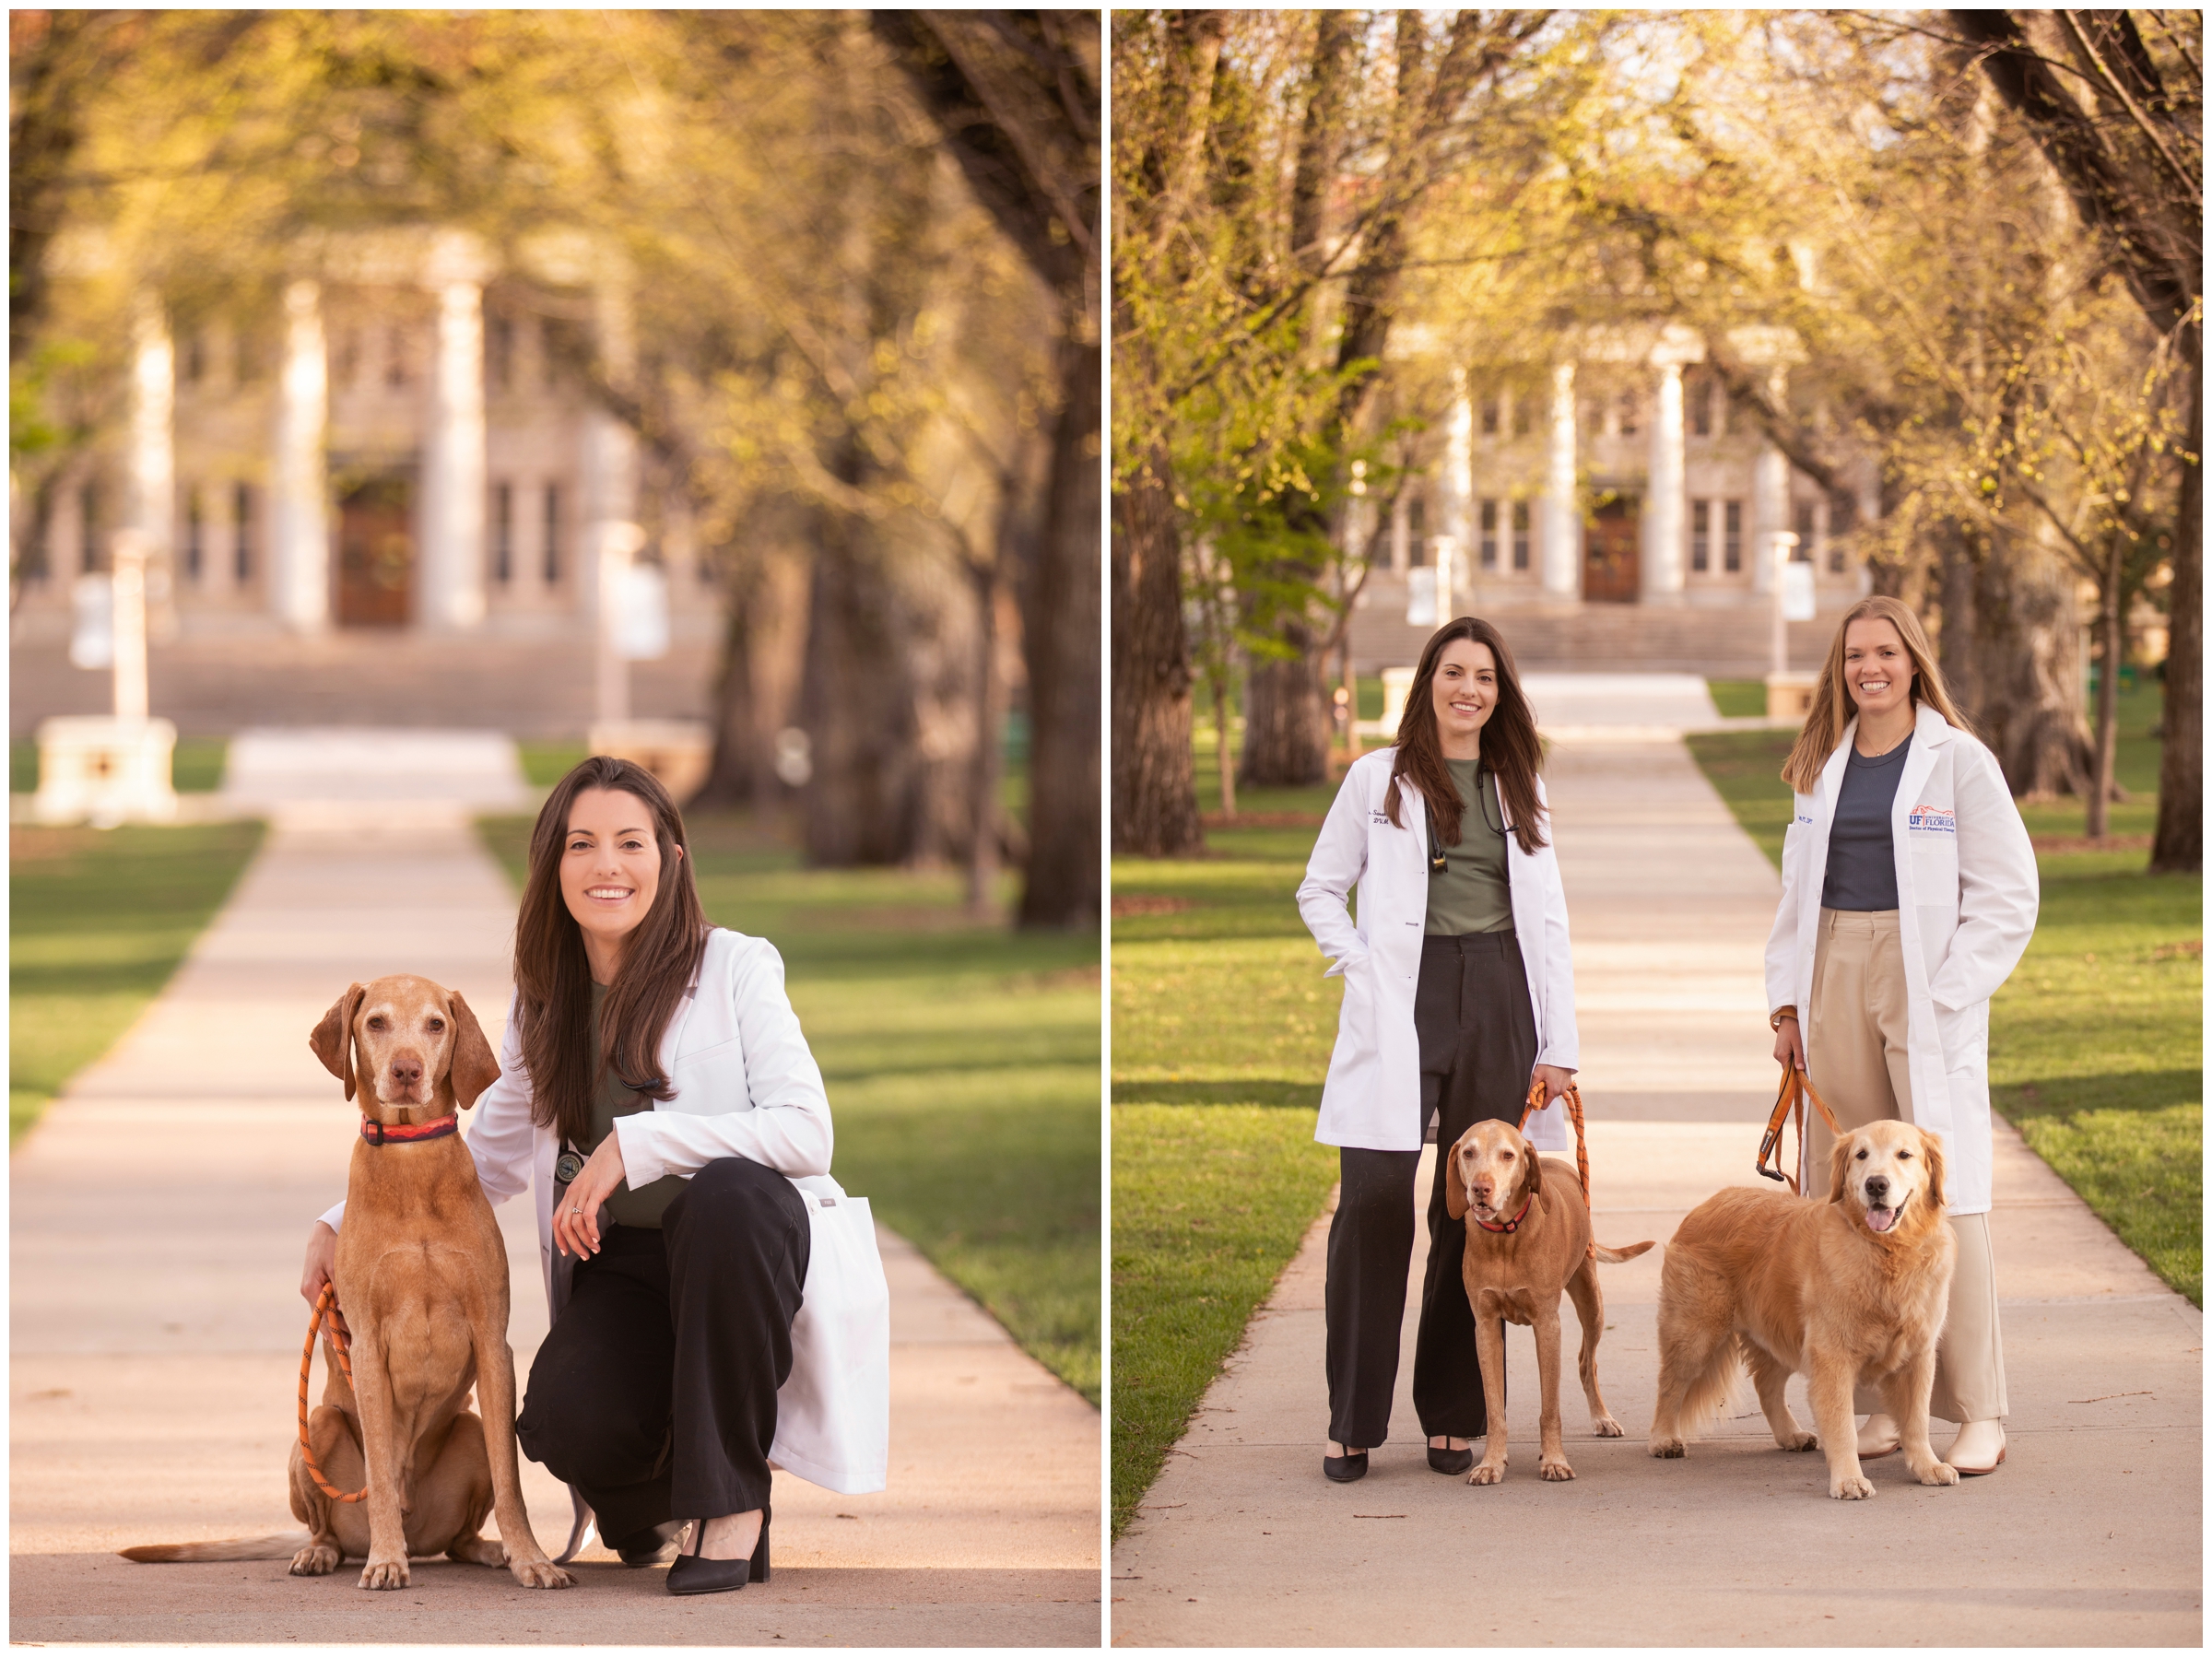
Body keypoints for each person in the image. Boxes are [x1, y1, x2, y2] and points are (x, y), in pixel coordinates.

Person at [300, 755, 845, 1593]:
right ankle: (660, 1502)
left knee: (730, 1200)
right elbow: (487, 1155)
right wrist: (341, 1221)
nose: (607, 865)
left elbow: (808, 1131)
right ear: (554, 866)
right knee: (558, 1416)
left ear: (671, 857)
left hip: (737, 1254)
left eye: (631, 842)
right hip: (620, 1262)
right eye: (581, 844)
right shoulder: (544, 998)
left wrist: (639, 1144)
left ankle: (734, 1507)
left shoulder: (737, 967)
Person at [1296, 616, 1579, 1483]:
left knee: (1475, 1211)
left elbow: (1552, 923)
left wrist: (1558, 1045)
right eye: (1454, 673)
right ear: (1428, 684)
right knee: (1375, 1203)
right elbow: (1320, 889)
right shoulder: (1376, 779)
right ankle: (1353, 1420)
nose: (1470, 690)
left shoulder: (1517, 784)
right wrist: (1364, 968)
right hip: (1401, 1001)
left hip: (1499, 996)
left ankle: (1454, 1413)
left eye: (1485, 678)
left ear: (1501, 694)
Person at [1765, 594, 2038, 1477]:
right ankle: (1883, 1408)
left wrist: (1947, 994)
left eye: (1884, 653)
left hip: (1924, 981)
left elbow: (2009, 892)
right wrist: (1787, 1008)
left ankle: (1979, 1410)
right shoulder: (1821, 762)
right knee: (1847, 1194)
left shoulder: (1958, 761)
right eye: (1854, 656)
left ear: (1914, 661)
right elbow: (1793, 896)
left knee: (1937, 1195)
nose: (1868, 668)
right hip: (1832, 966)